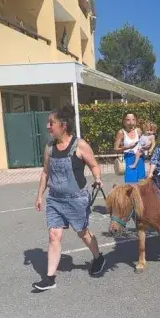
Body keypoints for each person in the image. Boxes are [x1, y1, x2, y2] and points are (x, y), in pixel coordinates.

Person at [33, 106, 105, 291]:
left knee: (82, 233)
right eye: (48, 123)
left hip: (76, 199)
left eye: (52, 123)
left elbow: (94, 165)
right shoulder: (49, 147)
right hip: (55, 199)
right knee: (54, 235)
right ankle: (50, 278)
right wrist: (40, 196)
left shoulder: (79, 145)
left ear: (63, 125)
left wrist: (97, 178)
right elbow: (45, 173)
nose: (48, 126)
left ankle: (98, 257)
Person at [114, 112, 146, 183]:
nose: (131, 122)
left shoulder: (138, 131)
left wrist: (146, 147)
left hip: (140, 158)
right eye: (128, 120)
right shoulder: (121, 132)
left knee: (142, 182)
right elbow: (115, 149)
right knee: (131, 184)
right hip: (129, 159)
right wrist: (127, 147)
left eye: (133, 119)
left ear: (136, 121)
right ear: (124, 121)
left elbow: (143, 143)